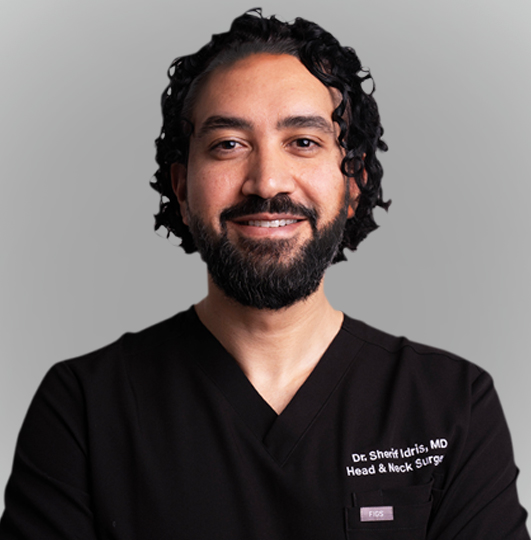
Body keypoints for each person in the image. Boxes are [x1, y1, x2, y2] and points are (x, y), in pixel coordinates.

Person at [0, 9, 528, 540]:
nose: (267, 181)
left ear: (354, 184)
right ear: (182, 190)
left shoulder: (451, 404)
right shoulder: (84, 408)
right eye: (228, 144)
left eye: (303, 142)